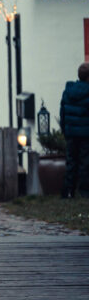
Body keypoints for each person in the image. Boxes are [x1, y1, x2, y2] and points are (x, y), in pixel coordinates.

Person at [60, 61, 89, 198]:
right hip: (86, 133)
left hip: (71, 132)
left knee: (71, 161)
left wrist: (65, 130)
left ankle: (69, 191)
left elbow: (63, 113)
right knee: (85, 162)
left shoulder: (68, 91)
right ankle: (84, 192)